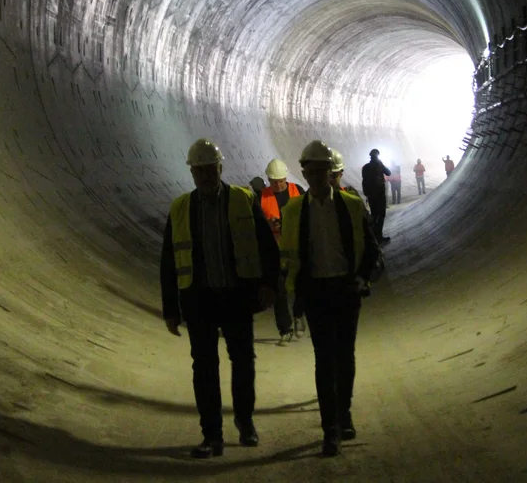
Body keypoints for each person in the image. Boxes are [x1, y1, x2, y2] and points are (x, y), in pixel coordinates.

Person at [161, 138, 280, 459]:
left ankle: (245, 423)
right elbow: (169, 261)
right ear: (192, 172)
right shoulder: (181, 208)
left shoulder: (242, 200)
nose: (204, 175)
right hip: (199, 301)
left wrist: (270, 284)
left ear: (220, 168)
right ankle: (211, 435)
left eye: (209, 168)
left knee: (242, 362)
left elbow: (267, 245)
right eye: (198, 170)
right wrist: (170, 308)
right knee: (204, 368)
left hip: (236, 297)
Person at [281, 140, 382, 457]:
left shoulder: (350, 205)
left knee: (344, 357)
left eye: (323, 169)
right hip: (316, 292)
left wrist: (361, 278)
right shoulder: (294, 210)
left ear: (329, 172)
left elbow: (369, 247)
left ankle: (344, 413)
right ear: (304, 172)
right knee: (325, 360)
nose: (318, 174)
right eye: (312, 169)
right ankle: (331, 429)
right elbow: (289, 255)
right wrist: (294, 293)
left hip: (344, 288)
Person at [259, 158, 303, 343]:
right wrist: (268, 225)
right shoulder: (262, 196)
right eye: (273, 182)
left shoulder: (297, 191)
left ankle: (299, 315)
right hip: (275, 251)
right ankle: (285, 329)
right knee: (279, 289)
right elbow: (256, 223)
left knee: (302, 286)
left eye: (280, 181)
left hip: (296, 248)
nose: (277, 185)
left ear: (286, 178)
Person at [361, 149, 391, 241]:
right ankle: (379, 236)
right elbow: (388, 173)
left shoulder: (366, 167)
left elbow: (364, 181)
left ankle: (374, 237)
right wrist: (381, 164)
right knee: (381, 215)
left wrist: (367, 193)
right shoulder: (379, 165)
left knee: (374, 215)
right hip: (380, 194)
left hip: (371, 196)